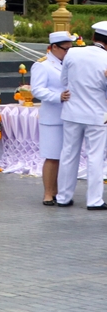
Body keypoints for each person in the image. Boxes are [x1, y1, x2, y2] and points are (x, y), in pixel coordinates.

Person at [56, 22, 107, 209]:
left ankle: (63, 197)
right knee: (95, 157)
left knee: (68, 154)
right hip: (97, 114)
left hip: (72, 112)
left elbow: (64, 81)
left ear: (93, 38)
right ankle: (94, 200)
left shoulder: (73, 53)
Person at [30, 31, 75, 205]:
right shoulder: (42, 65)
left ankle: (60, 191)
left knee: (66, 157)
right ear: (54, 47)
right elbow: (37, 90)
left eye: (70, 49)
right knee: (52, 156)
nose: (68, 52)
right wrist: (58, 96)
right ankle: (48, 193)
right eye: (65, 49)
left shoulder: (69, 63)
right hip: (52, 118)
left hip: (70, 116)